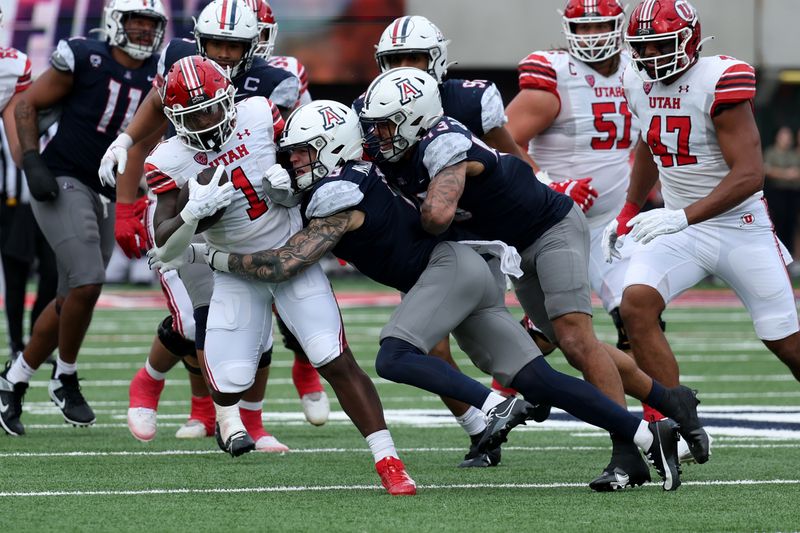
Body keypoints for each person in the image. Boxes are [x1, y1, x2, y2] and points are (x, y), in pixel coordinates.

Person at [203, 98, 700, 491]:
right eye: (290, 153)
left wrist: (214, 257)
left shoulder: (340, 192)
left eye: (303, 152)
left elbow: (284, 262)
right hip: (466, 269)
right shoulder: (345, 173)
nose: (293, 161)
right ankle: (646, 430)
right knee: (540, 380)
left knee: (394, 356)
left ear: (332, 147)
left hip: (449, 269)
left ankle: (491, 405)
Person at [359, 66, 710, 490]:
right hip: (511, 247)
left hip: (548, 227)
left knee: (575, 337)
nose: (378, 135)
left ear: (417, 118)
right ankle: (670, 399)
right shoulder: (399, 144)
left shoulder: (445, 143)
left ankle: (626, 452)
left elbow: (436, 217)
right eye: (373, 126)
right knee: (571, 342)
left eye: (386, 126)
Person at [146, 56, 416, 495]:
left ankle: (388, 459)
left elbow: (305, 154)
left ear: (228, 99)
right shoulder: (170, 159)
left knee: (333, 357)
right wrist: (191, 214)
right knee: (230, 377)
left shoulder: (256, 114)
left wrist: (290, 181)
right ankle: (224, 417)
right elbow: (164, 246)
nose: (207, 120)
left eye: (213, 107)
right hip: (234, 270)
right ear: (175, 118)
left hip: (293, 257)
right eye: (193, 114)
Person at [98, 0, 326, 447]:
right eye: (216, 43)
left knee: (254, 325)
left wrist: (291, 183)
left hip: (246, 209)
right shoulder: (179, 61)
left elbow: (294, 145)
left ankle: (246, 421)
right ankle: (164, 389)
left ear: (255, 45)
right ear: (199, 40)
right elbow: (159, 101)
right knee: (191, 322)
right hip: (182, 200)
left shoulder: (274, 84)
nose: (222, 53)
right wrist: (126, 153)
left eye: (233, 45)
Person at [603, 0, 800, 422]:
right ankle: (679, 423)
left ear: (689, 40)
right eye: (643, 47)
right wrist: (628, 211)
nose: (651, 56)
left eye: (660, 45)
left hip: (738, 227)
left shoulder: (718, 79)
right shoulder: (636, 82)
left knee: (786, 342)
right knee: (635, 307)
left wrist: (683, 216)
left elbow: (750, 174)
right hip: (680, 227)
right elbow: (650, 144)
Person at [352, 14, 529, 467]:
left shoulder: (469, 100)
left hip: (481, 229)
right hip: (425, 232)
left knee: (509, 344)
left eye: (414, 57)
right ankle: (480, 426)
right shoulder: (370, 108)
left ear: (438, 59)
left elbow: (512, 158)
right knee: (426, 343)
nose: (404, 66)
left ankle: (528, 373)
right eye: (395, 59)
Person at [0, 0, 167, 436]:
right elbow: (26, 105)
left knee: (73, 296)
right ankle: (65, 375)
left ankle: (14, 379)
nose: (146, 32)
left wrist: (130, 203)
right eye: (137, 22)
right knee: (89, 280)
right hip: (64, 178)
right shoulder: (85, 57)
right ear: (116, 21)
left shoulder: (159, 77)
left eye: (152, 25)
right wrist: (33, 161)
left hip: (109, 190)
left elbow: (144, 147)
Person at [0, 11, 57, 365]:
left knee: (50, 273)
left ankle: (35, 338)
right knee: (16, 274)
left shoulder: (47, 116)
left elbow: (24, 152)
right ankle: (16, 340)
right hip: (10, 202)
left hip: (43, 204)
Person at [763, 127, 800, 264]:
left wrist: (791, 174)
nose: (786, 139)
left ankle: (790, 259)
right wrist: (785, 174)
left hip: (792, 195)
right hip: (776, 194)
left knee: (790, 226)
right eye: (784, 136)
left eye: (788, 136)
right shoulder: (771, 152)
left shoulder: (793, 154)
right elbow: (767, 169)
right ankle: (775, 256)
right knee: (775, 224)